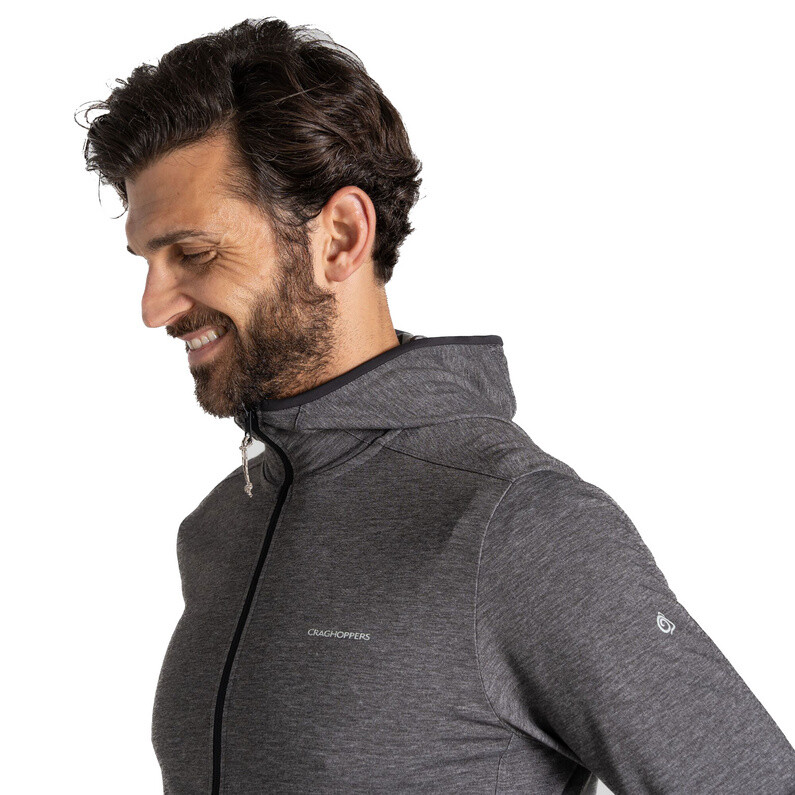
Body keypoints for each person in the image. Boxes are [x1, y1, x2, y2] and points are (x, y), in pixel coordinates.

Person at [77, 17, 795, 795]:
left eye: (192, 253)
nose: (153, 307)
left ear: (339, 237)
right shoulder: (222, 525)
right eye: (146, 260)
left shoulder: (518, 522)